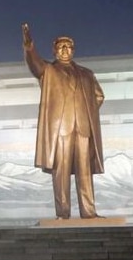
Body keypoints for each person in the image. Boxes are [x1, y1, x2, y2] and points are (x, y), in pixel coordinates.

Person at [22, 23, 105, 219]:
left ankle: (89, 212)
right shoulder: (49, 70)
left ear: (73, 50)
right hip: (60, 129)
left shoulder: (86, 73)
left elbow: (99, 96)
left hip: (83, 128)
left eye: (68, 47)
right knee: (61, 173)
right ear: (54, 50)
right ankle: (63, 213)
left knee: (85, 174)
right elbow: (35, 65)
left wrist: (86, 112)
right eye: (61, 47)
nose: (65, 50)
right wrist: (29, 46)